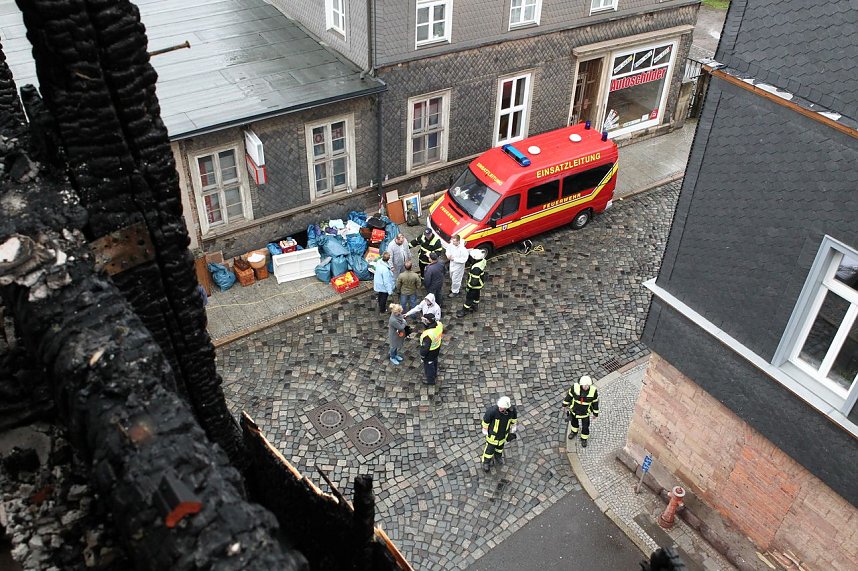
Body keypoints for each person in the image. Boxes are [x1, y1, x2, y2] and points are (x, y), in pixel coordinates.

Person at [481, 396, 518, 473]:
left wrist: (513, 428)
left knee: (500, 447)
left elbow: (513, 420)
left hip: (503, 435)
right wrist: (485, 430)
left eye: (502, 408)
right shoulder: (492, 411)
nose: (500, 409)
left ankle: (498, 456)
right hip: (493, 436)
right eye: (500, 407)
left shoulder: (512, 411)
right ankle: (486, 462)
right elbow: (486, 421)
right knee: (489, 450)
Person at [562, 375, 600, 448]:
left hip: (585, 413)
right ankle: (574, 432)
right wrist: (564, 404)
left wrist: (595, 413)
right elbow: (569, 396)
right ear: (581, 384)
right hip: (574, 411)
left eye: (588, 385)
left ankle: (584, 438)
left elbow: (595, 403)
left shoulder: (593, 391)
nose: (586, 387)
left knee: (585, 426)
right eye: (584, 385)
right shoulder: (575, 388)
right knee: (574, 423)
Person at [457, 249, 487, 318]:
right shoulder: (482, 261)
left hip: (474, 286)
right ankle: (475, 305)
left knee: (469, 298)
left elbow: (474, 282)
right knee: (477, 295)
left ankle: (464, 310)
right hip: (479, 284)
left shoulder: (476, 268)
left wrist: (469, 287)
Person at [418, 314, 443, 385]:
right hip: (437, 348)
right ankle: (434, 374)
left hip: (430, 353)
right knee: (434, 361)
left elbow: (424, 349)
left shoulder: (428, 335)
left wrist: (422, 356)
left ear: (428, 321)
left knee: (429, 367)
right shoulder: (439, 324)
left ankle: (430, 381)